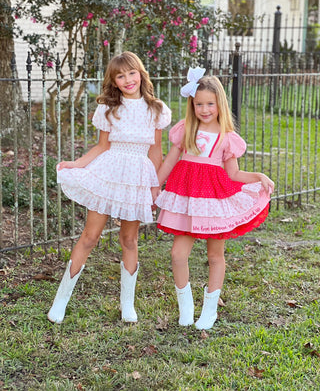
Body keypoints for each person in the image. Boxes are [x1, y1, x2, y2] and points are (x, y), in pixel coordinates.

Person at [47, 51, 171, 324]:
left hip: (138, 177)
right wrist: (76, 163)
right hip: (110, 172)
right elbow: (102, 147)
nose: (128, 79)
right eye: (120, 75)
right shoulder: (108, 109)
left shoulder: (156, 109)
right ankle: (61, 300)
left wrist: (155, 186)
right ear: (114, 81)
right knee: (90, 236)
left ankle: (127, 304)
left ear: (141, 73)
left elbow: (156, 151)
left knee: (129, 239)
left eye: (132, 73)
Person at [154, 67, 274, 330]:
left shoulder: (227, 137)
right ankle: (185, 306)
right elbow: (170, 161)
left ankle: (209, 309)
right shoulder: (185, 129)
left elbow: (234, 172)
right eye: (199, 104)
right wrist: (155, 186)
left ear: (219, 104)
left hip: (214, 199)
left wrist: (258, 176)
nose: (205, 109)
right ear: (192, 105)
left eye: (210, 104)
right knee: (177, 253)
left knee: (215, 256)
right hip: (185, 197)